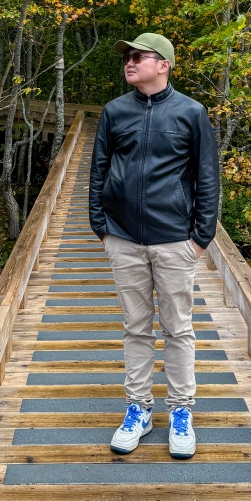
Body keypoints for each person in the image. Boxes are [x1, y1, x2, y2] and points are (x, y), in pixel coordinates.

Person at [88, 32, 219, 459]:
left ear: (163, 64)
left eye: (137, 56)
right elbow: (99, 170)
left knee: (178, 328)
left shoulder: (191, 113)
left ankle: (181, 411)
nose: (129, 62)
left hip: (175, 240)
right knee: (135, 327)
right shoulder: (114, 111)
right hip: (123, 238)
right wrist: (101, 226)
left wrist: (200, 238)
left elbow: (207, 178)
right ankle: (138, 409)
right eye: (126, 57)